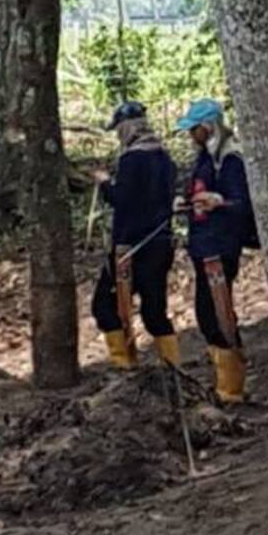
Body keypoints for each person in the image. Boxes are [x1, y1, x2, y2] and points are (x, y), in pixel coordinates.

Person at [175, 98, 255, 405]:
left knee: (218, 314)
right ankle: (223, 383)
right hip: (202, 244)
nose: (189, 135)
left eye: (193, 129)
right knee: (205, 314)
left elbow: (242, 204)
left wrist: (218, 201)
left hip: (221, 247)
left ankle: (231, 390)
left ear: (207, 128)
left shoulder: (231, 159)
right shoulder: (205, 159)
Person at [91, 101, 179, 369]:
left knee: (105, 306)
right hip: (160, 243)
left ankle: (124, 365)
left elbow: (123, 201)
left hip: (130, 248)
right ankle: (172, 369)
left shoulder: (131, 160)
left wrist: (104, 182)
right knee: (154, 312)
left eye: (119, 128)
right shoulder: (165, 158)